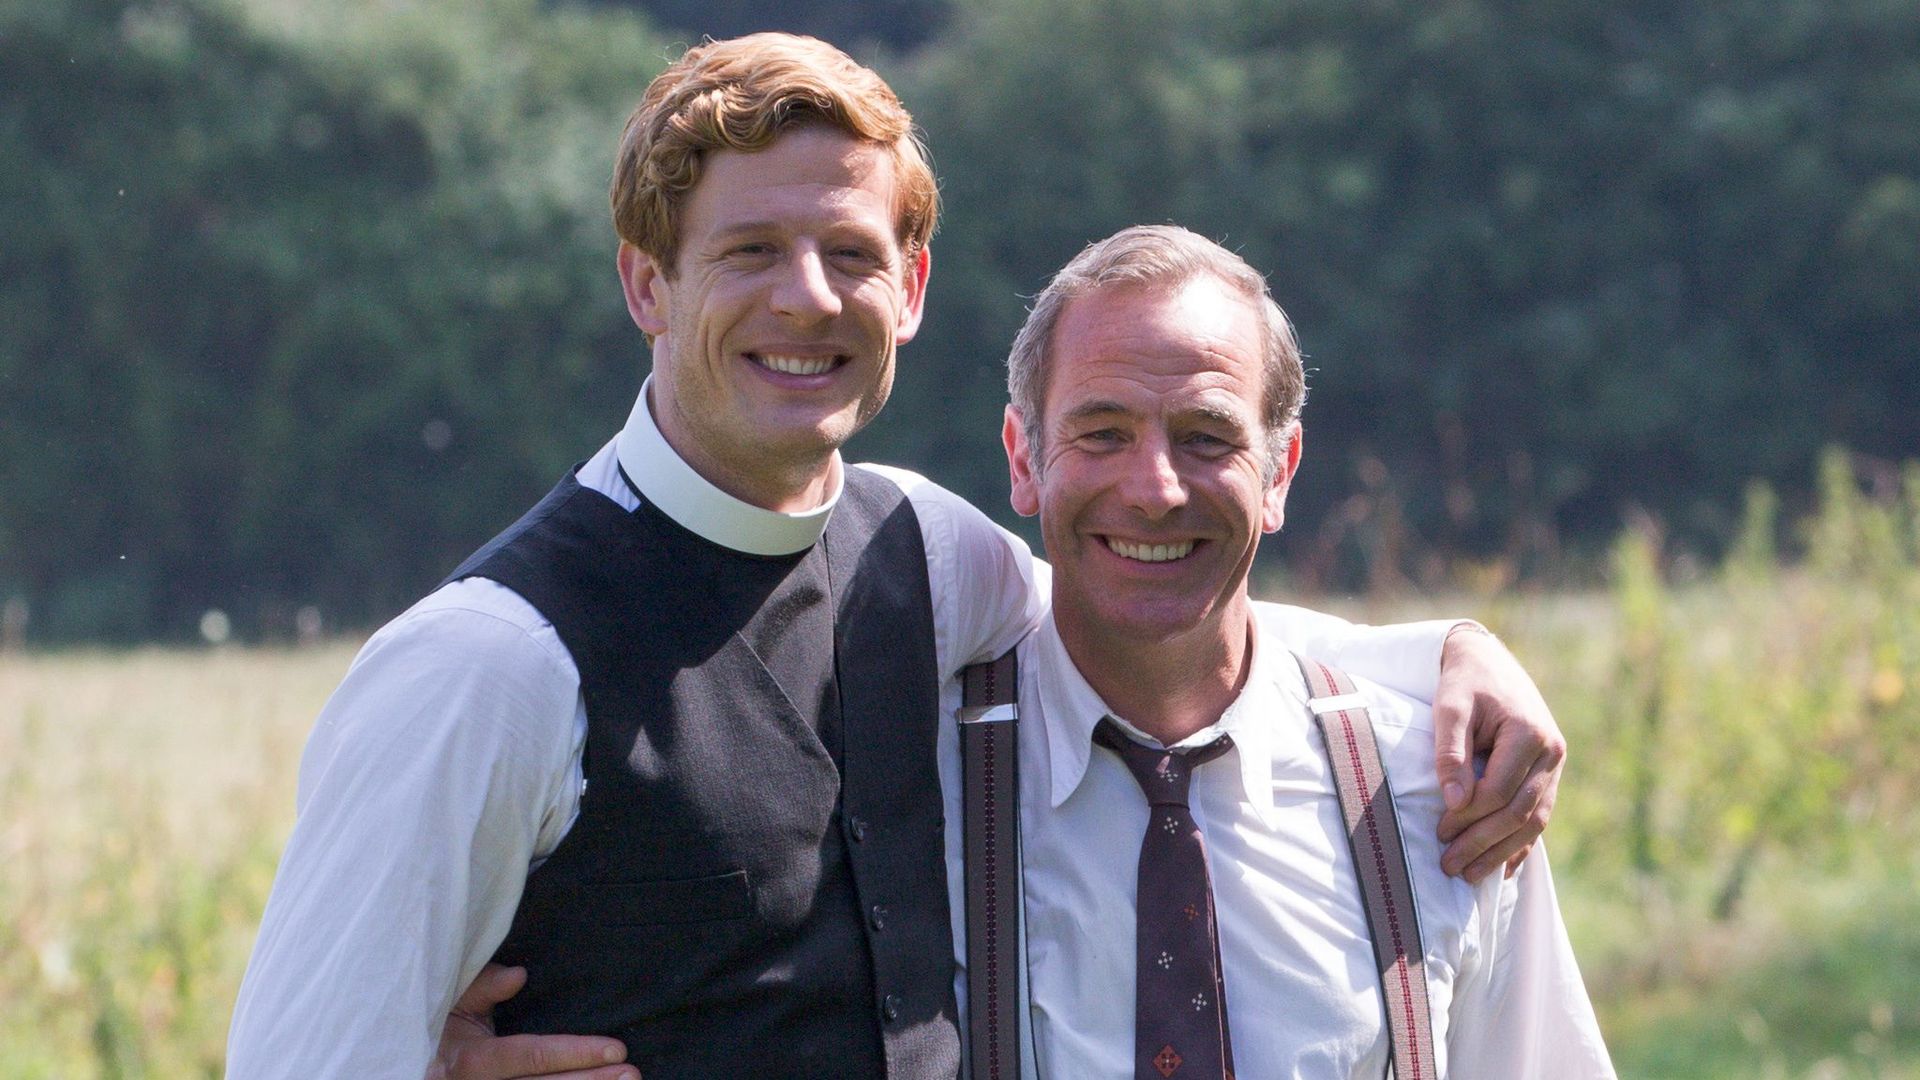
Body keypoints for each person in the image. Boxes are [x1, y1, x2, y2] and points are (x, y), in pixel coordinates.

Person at [228, 34, 1566, 1079]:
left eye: (849, 254)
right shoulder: (489, 667)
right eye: (749, 249)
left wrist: (1446, 655)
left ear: (911, 292)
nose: (806, 296)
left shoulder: (923, 556)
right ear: (647, 284)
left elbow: (1163, 605)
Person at [993, 225, 1612, 1076]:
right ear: (1023, 458)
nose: (1155, 489)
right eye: (1101, 433)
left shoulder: (1445, 792)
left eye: (1206, 437)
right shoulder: (921, 779)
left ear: (1280, 471)